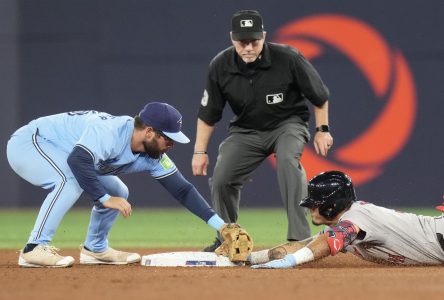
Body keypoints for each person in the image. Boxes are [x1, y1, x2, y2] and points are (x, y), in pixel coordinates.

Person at [7, 102, 231, 268]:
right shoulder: (111, 132)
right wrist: (103, 199)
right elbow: (77, 160)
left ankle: (95, 249)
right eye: (168, 138)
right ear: (149, 131)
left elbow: (182, 190)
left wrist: (222, 226)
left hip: (67, 152)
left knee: (119, 190)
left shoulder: (152, 155)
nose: (171, 144)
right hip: (31, 143)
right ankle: (33, 248)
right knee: (70, 179)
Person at [192, 9, 333, 251]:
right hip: (246, 131)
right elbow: (208, 115)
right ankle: (227, 238)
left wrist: (323, 129)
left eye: (254, 41)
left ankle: (299, 239)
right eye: (242, 41)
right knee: (223, 177)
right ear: (232, 38)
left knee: (288, 161)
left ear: (264, 36)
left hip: (287, 124)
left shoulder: (288, 58)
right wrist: (199, 151)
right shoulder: (220, 65)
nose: (248, 47)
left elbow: (319, 96)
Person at [249, 171, 444, 268]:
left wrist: (290, 262)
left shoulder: (356, 217)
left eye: (315, 203)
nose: (310, 208)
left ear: (330, 205)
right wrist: (248, 259)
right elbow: (302, 246)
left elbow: (329, 243)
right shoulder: (342, 225)